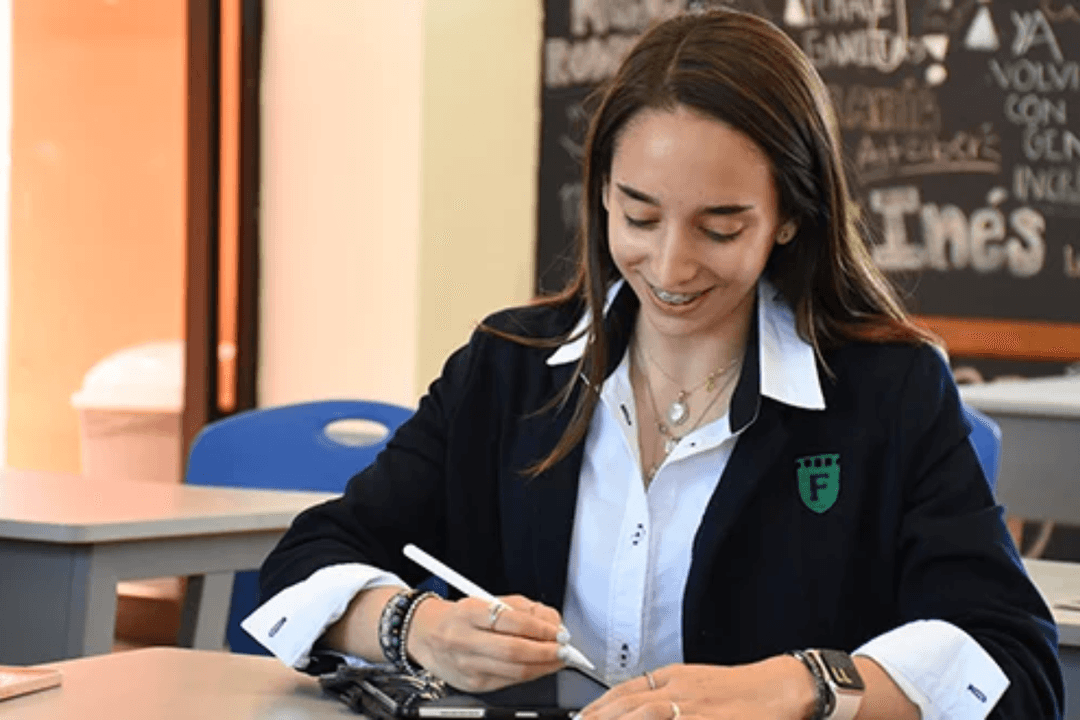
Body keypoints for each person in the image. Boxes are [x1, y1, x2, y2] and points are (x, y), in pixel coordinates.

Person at [242, 8, 1063, 720]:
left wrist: (805, 687)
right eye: (639, 215)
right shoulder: (509, 368)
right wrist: (414, 628)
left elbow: (1009, 661)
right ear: (602, 193)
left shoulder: (889, 392)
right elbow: (304, 565)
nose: (670, 268)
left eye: (720, 227)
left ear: (788, 219)